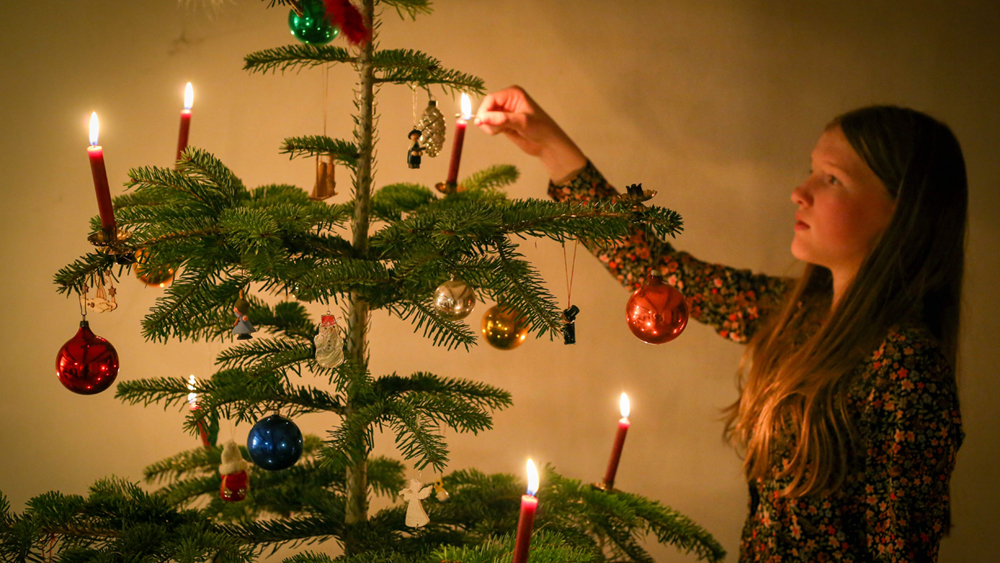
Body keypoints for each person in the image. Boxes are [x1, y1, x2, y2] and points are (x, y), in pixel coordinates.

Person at [475, 86, 965, 562]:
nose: (799, 192)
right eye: (811, 172)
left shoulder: (907, 366)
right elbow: (657, 272)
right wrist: (549, 144)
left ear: (901, 212)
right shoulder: (796, 315)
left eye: (832, 179)